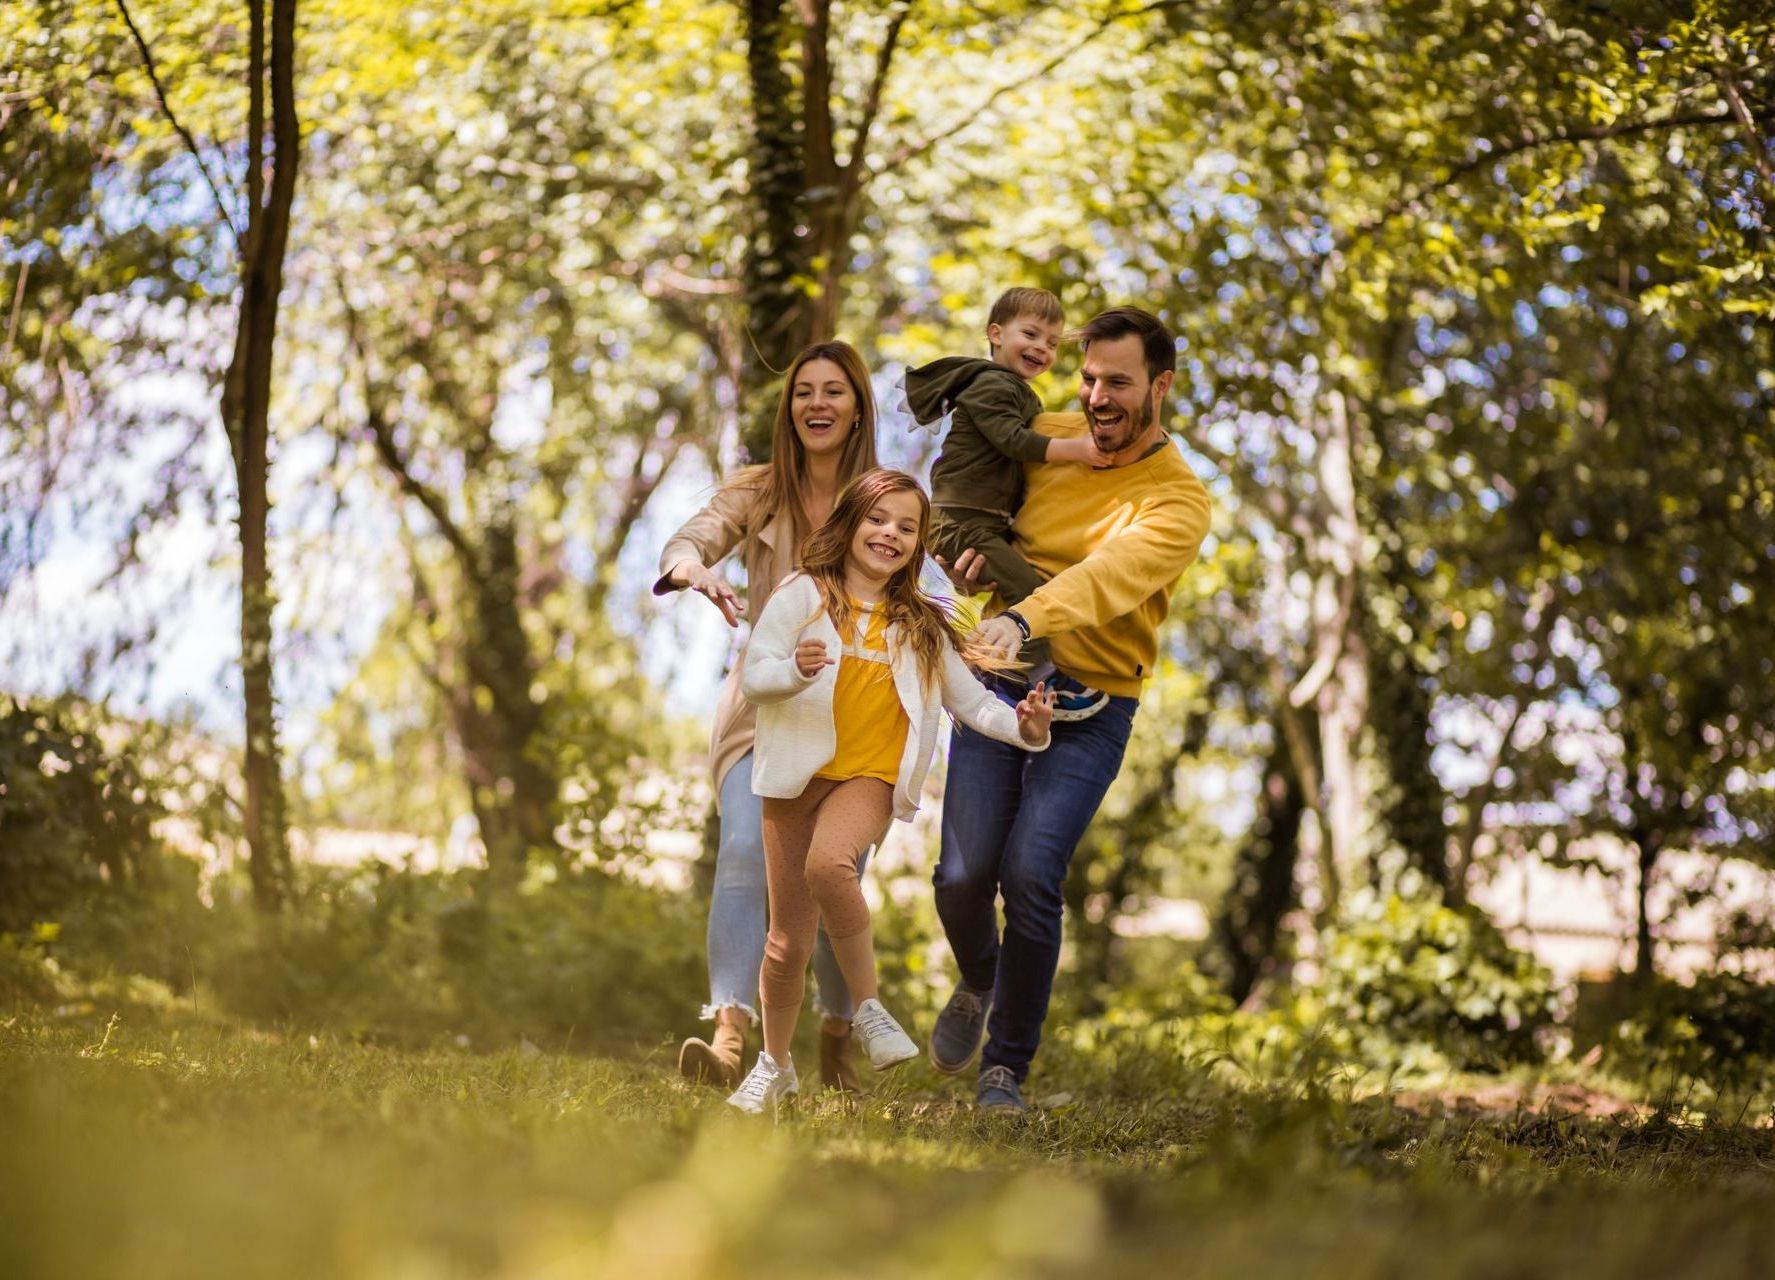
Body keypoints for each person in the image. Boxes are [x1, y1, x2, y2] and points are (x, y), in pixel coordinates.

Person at [926, 307, 1214, 1114]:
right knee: (959, 876)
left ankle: (1004, 1069)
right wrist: (962, 549)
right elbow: (962, 492)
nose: (1095, 398)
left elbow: (1108, 577)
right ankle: (981, 980)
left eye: (1116, 383)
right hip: (1000, 681)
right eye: (1087, 379)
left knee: (1029, 872)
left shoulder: (1178, 500)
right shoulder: (1046, 434)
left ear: (1160, 386)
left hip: (1093, 704)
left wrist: (1023, 616)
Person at [725, 468, 1056, 1114]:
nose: (890, 535)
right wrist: (793, 671)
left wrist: (1024, 728)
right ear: (850, 522)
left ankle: (869, 1009)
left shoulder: (923, 626)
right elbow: (755, 676)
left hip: (869, 779)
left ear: (917, 545)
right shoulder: (802, 596)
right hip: (795, 775)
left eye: (907, 528)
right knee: (785, 941)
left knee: (830, 865)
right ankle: (773, 1064)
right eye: (879, 520)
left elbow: (973, 703)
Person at [654, 340, 880, 1093]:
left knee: (831, 874)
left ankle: (837, 1034)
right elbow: (691, 537)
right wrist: (692, 567)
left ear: (856, 409)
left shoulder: (884, 500)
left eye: (833, 392)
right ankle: (728, 1040)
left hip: (857, 714)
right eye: (803, 393)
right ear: (790, 410)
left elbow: (934, 579)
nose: (816, 404)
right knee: (746, 852)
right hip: (765, 704)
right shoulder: (757, 490)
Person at [900, 287, 1110, 711]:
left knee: (1027, 584)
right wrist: (1079, 448)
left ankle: (994, 666)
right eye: (1030, 335)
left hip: (977, 521)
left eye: (1051, 343)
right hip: (961, 521)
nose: (1041, 348)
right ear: (995, 333)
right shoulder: (992, 384)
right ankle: (1032, 678)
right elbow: (1012, 441)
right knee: (1029, 592)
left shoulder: (1012, 388)